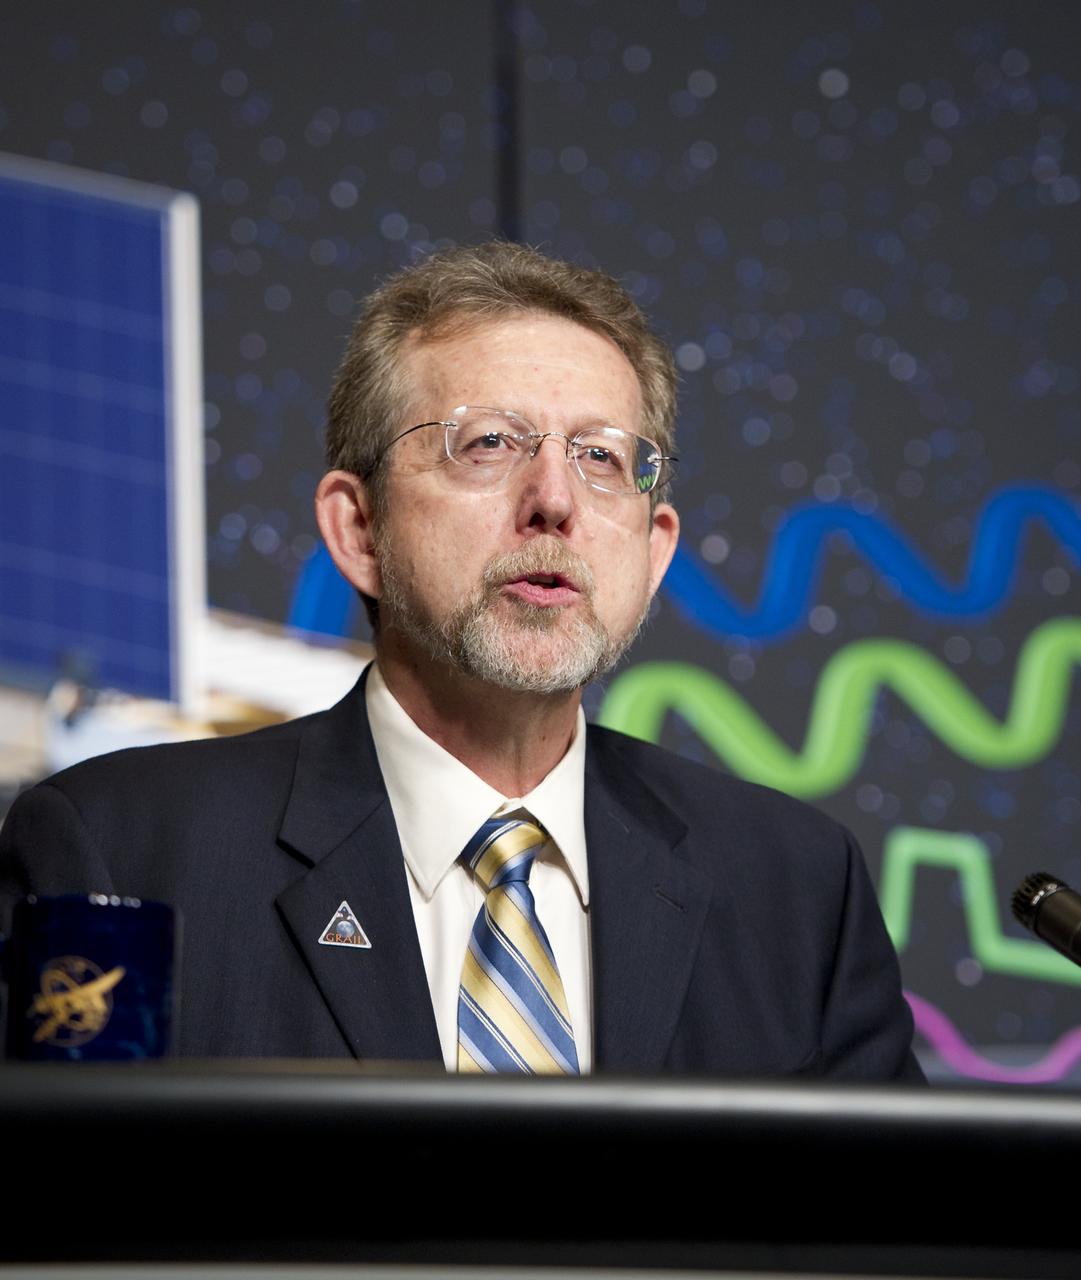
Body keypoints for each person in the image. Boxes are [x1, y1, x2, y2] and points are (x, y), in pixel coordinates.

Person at [0, 242, 922, 1079]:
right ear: (358, 528)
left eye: (603, 459)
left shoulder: (796, 891)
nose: (554, 499)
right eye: (488, 443)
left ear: (653, 551)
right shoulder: (121, 850)